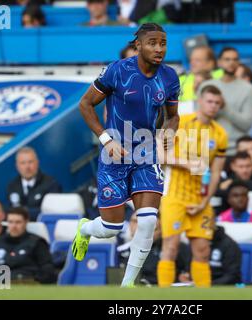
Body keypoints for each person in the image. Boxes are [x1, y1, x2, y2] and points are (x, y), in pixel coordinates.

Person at [72, 23, 181, 288]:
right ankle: (86, 228)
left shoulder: (169, 77)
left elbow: (173, 115)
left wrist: (168, 133)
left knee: (147, 221)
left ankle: (128, 286)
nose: (159, 49)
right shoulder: (117, 71)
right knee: (111, 228)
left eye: (163, 43)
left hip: (146, 154)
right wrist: (106, 139)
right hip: (114, 155)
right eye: (153, 43)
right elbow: (85, 104)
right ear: (139, 45)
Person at [157, 84, 227, 288]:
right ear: (200, 101)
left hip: (200, 198)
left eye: (217, 103)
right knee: (171, 246)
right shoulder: (180, 122)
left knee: (203, 250)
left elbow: (215, 171)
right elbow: (159, 154)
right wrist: (186, 163)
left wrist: (206, 200)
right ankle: (163, 297)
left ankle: (203, 294)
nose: (213, 106)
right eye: (209, 101)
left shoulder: (220, 134)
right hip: (174, 195)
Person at [200, 47, 252, 154]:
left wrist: (224, 107)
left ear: (239, 62)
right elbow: (198, 120)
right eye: (227, 59)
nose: (231, 62)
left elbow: (247, 125)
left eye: (235, 59)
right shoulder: (207, 86)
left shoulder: (249, 89)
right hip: (209, 148)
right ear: (219, 62)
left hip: (237, 151)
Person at [0, 207, 56, 284]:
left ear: (26, 222)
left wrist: (35, 281)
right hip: (0, 286)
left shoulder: (37, 242)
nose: (14, 226)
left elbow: (47, 269)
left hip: (28, 285)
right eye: (10, 222)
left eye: (18, 222)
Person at [117, 213, 190, 285]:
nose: (140, 229)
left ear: (162, 230)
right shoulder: (120, 251)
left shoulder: (177, 248)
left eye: (153, 229)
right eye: (135, 222)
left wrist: (186, 275)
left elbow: (188, 274)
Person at [7, 147, 61, 221]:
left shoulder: (51, 183)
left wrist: (23, 212)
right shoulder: (12, 186)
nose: (27, 167)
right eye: (23, 163)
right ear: (17, 166)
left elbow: (52, 211)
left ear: (37, 163)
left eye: (30, 162)